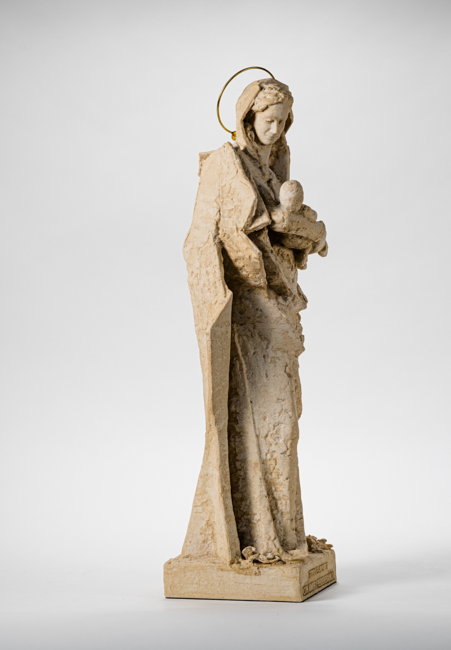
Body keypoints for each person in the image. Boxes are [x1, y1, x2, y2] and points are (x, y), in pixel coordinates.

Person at [180, 78, 327, 565]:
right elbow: (205, 237)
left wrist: (301, 230)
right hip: (249, 309)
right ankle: (259, 536)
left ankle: (283, 534)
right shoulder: (225, 166)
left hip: (279, 305)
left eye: (283, 121)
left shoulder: (272, 170)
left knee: (285, 419)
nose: (275, 129)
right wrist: (273, 228)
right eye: (268, 119)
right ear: (247, 118)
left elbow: (291, 233)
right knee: (267, 414)